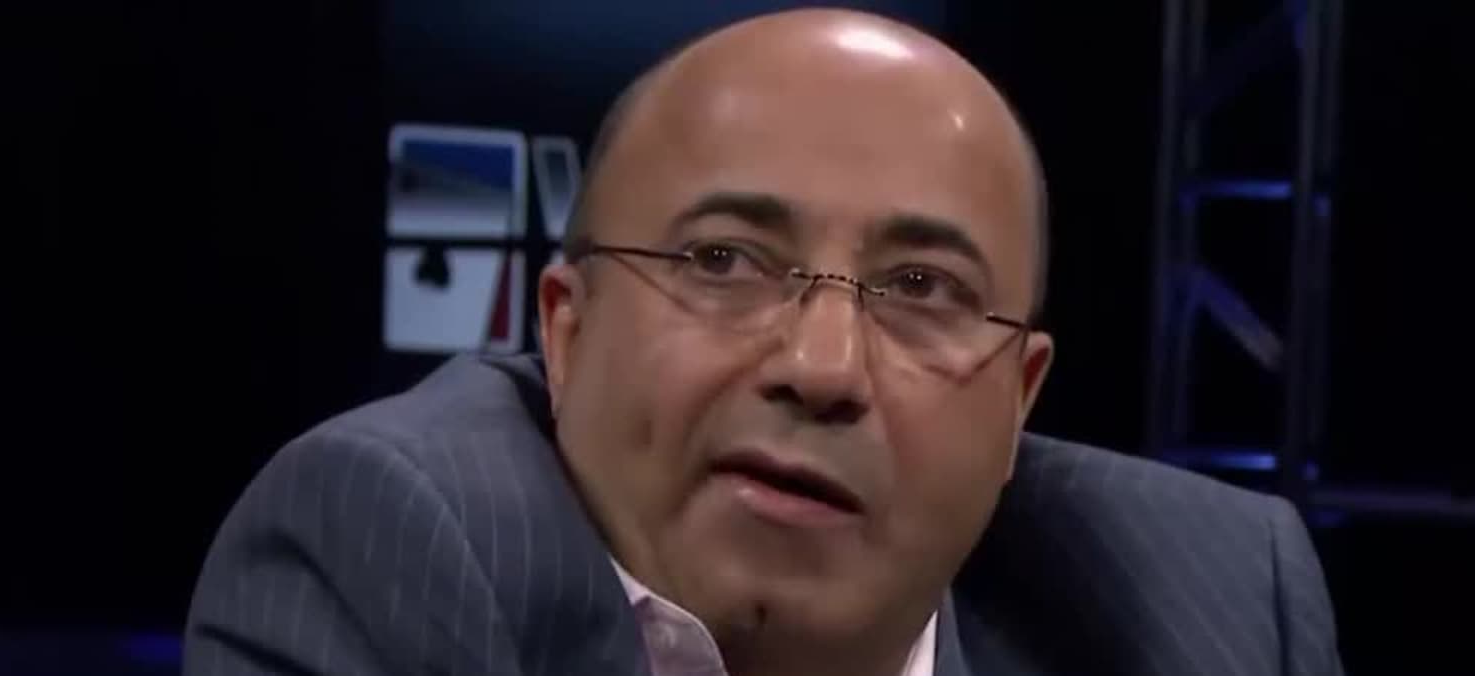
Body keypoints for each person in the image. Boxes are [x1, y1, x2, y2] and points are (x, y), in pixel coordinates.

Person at [184, 8, 1344, 676]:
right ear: (565, 331)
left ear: (1019, 402)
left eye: (922, 287)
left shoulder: (1206, 610)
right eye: (724, 262)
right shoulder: (393, 541)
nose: (822, 369)